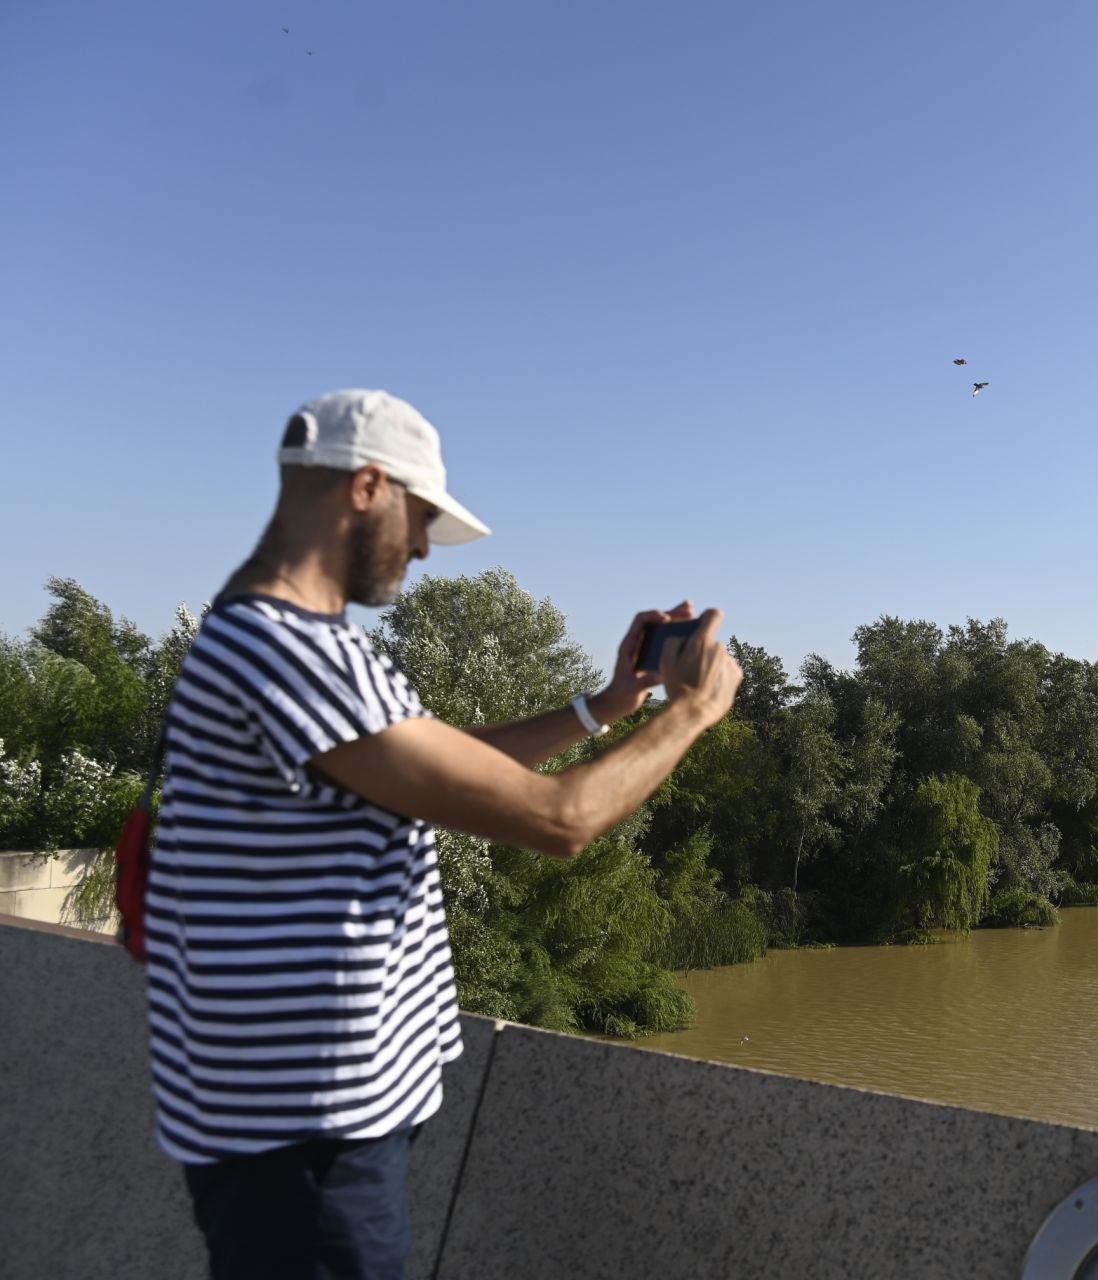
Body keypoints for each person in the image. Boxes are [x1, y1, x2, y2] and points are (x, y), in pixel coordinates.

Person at [146, 389, 741, 1279]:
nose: (423, 547)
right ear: (367, 487)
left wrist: (605, 708)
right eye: (421, 518)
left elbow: (434, 766)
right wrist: (689, 714)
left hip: (302, 1125)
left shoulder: (270, 637)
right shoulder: (290, 650)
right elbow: (562, 820)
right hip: (305, 1140)